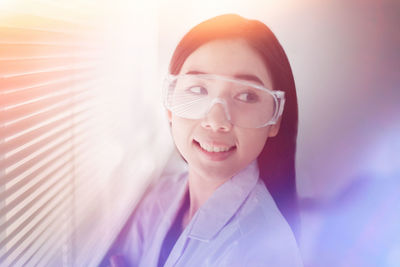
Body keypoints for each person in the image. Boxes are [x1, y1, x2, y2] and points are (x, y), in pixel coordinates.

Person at [105, 13, 303, 267]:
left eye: (246, 96)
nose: (216, 120)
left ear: (274, 120)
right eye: (198, 90)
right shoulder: (159, 198)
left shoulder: (267, 252)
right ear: (170, 106)